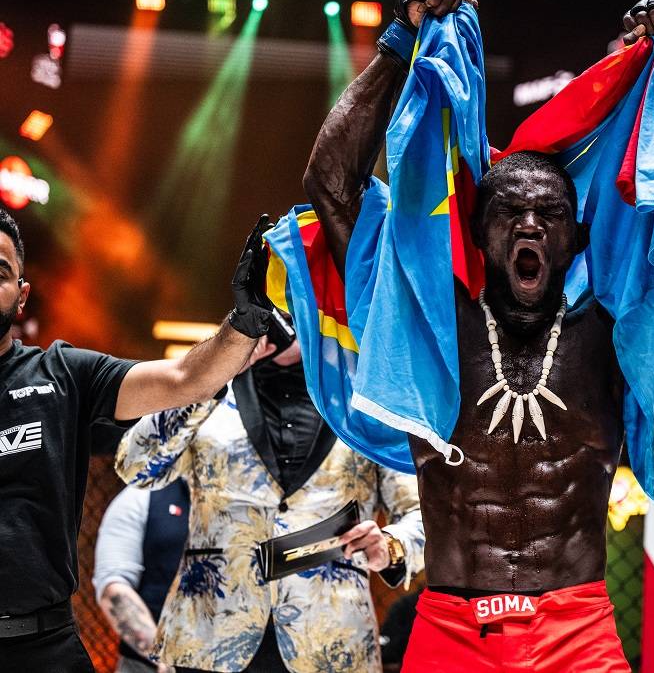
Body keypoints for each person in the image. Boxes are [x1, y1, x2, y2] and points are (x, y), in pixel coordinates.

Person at [302, 0, 654, 672]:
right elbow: (332, 184)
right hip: (451, 627)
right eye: (509, 211)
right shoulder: (426, 322)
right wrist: (399, 41)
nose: (529, 225)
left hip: (577, 632)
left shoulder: (615, 332)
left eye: (549, 214)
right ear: (476, 230)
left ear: (577, 237)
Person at [0, 209, 273, 673]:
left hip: (42, 649)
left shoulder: (62, 374)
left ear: (22, 296)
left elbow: (186, 378)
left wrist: (246, 321)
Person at [115, 318, 425, 673]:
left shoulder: (368, 399)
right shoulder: (209, 386)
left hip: (332, 641)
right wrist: (213, 373)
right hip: (210, 636)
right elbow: (134, 466)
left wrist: (392, 545)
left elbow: (424, 513)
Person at [94, 480, 190, 672]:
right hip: (148, 667)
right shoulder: (142, 495)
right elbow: (114, 588)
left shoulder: (248, 501)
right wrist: (161, 658)